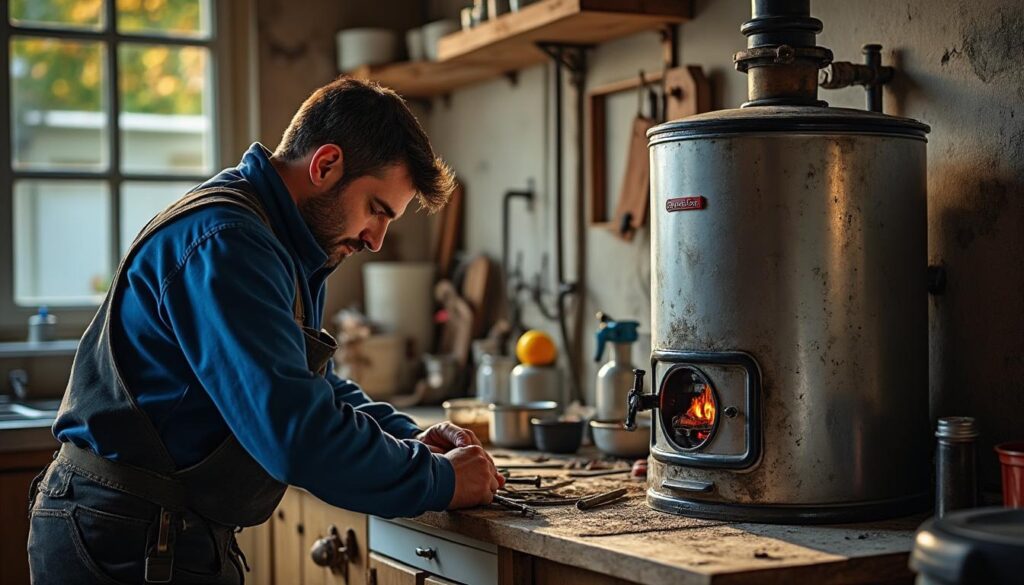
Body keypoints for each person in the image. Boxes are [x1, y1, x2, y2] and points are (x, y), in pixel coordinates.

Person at [27, 77, 503, 585]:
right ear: (325, 165)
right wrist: (441, 479)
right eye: (376, 210)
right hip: (120, 541)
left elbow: (309, 388)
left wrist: (410, 438)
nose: (376, 240)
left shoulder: (275, 241)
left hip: (153, 530)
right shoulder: (232, 243)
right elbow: (298, 435)